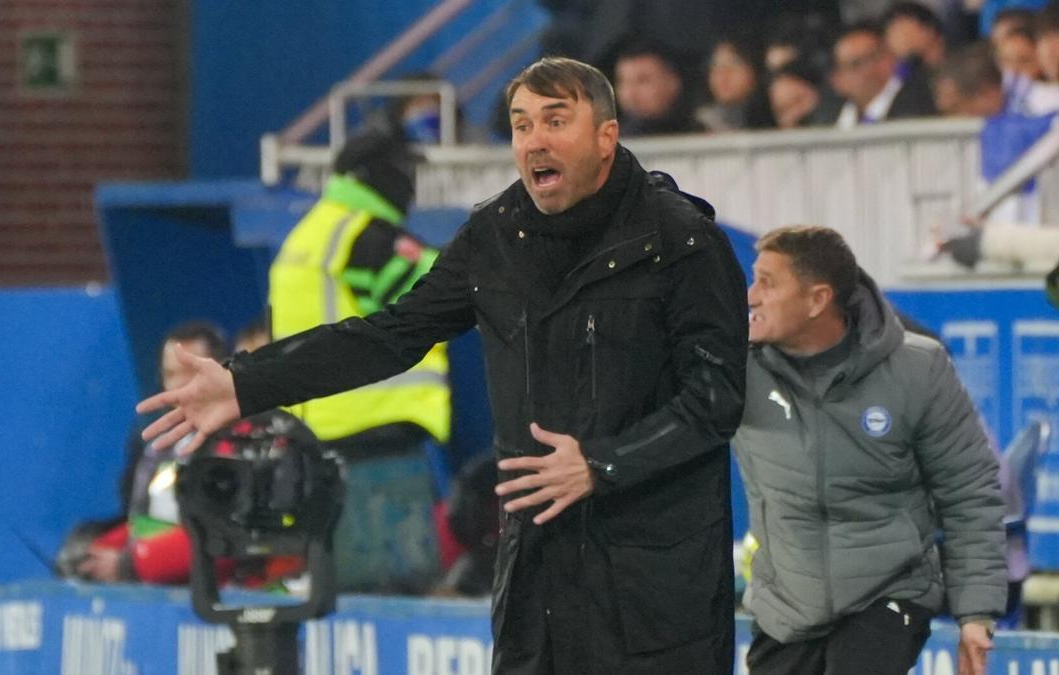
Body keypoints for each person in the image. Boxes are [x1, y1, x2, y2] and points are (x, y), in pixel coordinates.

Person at [139, 56, 749, 674]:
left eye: (556, 120)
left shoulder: (682, 242)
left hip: (658, 588)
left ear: (606, 136)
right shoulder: (495, 237)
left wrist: (602, 465)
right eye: (520, 124)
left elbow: (716, 397)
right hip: (539, 579)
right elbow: (391, 334)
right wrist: (248, 382)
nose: (534, 139)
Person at [733, 226, 1007, 675]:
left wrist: (976, 614)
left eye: (767, 283)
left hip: (888, 595)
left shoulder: (919, 369)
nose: (751, 297)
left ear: (818, 299)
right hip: (786, 608)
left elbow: (969, 492)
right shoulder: (735, 367)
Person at [269, 126, 452, 592]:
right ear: (375, 175)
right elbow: (439, 296)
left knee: (343, 596)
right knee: (398, 590)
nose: (410, 183)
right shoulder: (366, 236)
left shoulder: (309, 234)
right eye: (404, 170)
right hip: (375, 444)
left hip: (319, 439)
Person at [75, 321, 231, 584]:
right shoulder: (155, 445)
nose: (180, 385)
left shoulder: (235, 441)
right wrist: (97, 548)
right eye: (171, 374)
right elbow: (147, 522)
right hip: (157, 591)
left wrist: (131, 564)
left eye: (190, 372)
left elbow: (225, 536)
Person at [831, 23, 937, 129]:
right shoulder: (829, 118)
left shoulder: (918, 103)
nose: (868, 69)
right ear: (838, 80)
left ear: (892, 57)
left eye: (874, 57)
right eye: (856, 64)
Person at [612, 39, 702, 136]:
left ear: (673, 83)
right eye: (623, 82)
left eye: (643, 81)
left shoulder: (702, 135)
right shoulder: (607, 141)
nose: (630, 93)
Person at [695, 35, 776, 132]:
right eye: (715, 65)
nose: (722, 74)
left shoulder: (776, 118)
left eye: (735, 63)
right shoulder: (699, 126)